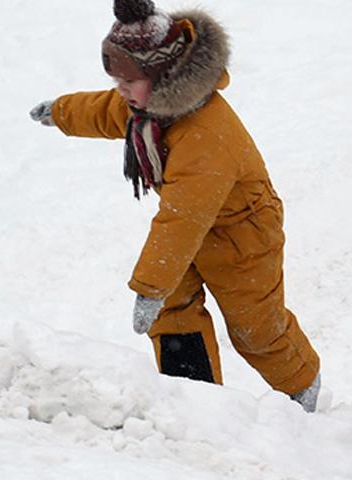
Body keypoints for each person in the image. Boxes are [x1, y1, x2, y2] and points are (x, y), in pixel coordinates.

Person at [29, 0, 322, 411]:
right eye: (118, 81)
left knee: (255, 328)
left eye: (129, 81)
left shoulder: (204, 136)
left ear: (164, 75)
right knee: (172, 310)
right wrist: (61, 112)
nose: (122, 91)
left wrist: (149, 287)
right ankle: (194, 396)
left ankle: (302, 388)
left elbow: (180, 221)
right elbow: (107, 110)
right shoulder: (150, 109)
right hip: (195, 226)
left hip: (243, 232)